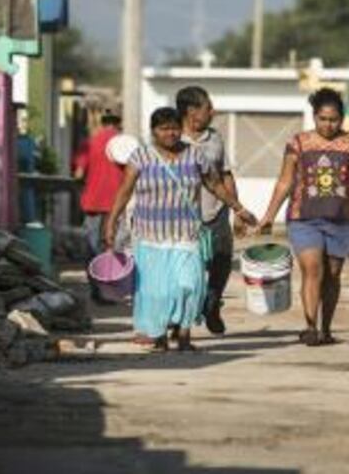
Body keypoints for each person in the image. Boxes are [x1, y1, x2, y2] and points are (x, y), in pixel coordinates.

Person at [103, 107, 256, 352]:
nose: (170, 134)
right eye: (164, 129)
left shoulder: (195, 155)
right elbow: (124, 191)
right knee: (158, 292)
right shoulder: (140, 157)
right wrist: (111, 222)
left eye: (174, 128)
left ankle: (184, 335)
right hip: (150, 236)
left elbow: (215, 184)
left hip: (186, 234)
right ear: (153, 131)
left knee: (189, 285)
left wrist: (238, 208)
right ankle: (160, 335)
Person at [257, 88, 349, 346]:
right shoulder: (298, 143)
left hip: (343, 218)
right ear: (314, 117)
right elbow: (285, 181)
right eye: (322, 119)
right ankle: (310, 327)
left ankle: (326, 328)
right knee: (313, 270)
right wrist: (269, 215)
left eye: (333, 119)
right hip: (303, 218)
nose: (328, 125)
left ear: (342, 118)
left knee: (332, 275)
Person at [176, 86, 239, 335]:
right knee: (185, 271)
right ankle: (179, 321)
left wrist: (237, 209)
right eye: (208, 108)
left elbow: (225, 174)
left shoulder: (215, 138)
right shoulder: (172, 137)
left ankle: (212, 305)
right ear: (192, 112)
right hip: (182, 218)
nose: (213, 112)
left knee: (221, 263)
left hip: (217, 212)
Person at [75, 107, 124, 304]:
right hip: (118, 203)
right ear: (118, 124)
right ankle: (111, 290)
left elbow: (79, 173)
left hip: (93, 202)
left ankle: (96, 290)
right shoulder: (124, 144)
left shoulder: (89, 142)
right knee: (113, 246)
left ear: (103, 123)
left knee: (92, 247)